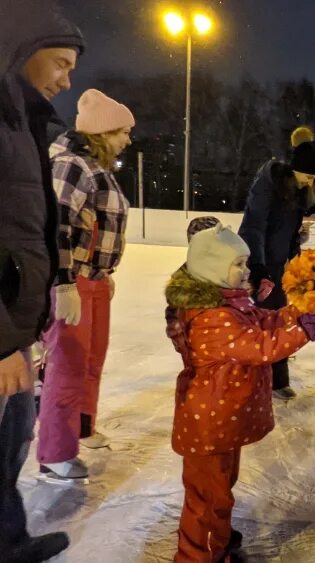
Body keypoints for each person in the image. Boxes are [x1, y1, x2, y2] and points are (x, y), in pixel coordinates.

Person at [165, 223, 315, 561]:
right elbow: (262, 346)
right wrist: (308, 327)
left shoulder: (232, 303)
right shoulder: (210, 317)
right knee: (207, 498)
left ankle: (216, 540)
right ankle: (200, 554)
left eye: (246, 262)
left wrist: (304, 311)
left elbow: (267, 321)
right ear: (211, 268)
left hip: (221, 422)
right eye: (238, 264)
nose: (247, 271)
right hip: (209, 425)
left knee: (220, 492)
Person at [0, 1, 84, 559]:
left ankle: (8, 540)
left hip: (18, 323)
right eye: (59, 63)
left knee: (11, 445)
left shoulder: (22, 125)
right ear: (20, 52)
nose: (66, 79)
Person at [36, 89, 134, 481]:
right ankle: (55, 453)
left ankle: (81, 427)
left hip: (92, 280)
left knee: (91, 360)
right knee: (67, 365)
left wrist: (102, 273)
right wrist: (63, 283)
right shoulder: (72, 165)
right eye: (122, 131)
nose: (127, 139)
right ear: (102, 131)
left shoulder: (97, 166)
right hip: (71, 280)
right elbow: (56, 225)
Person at [238, 126, 315, 400]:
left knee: (276, 319)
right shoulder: (270, 182)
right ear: (294, 169)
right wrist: (258, 268)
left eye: (314, 179)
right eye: (308, 177)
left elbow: (288, 232)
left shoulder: (298, 191)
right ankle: (256, 379)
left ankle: (275, 379)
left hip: (276, 266)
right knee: (259, 321)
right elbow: (254, 225)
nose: (310, 183)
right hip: (253, 263)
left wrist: (296, 257)